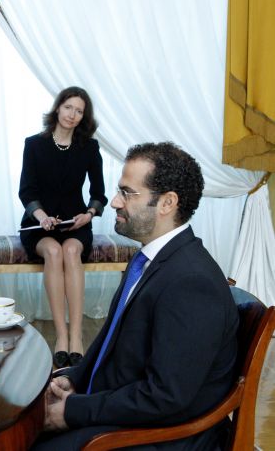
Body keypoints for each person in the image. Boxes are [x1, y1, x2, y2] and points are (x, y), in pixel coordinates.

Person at [36, 142, 239, 451]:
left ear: (167, 203)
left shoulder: (191, 282)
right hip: (126, 413)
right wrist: (75, 379)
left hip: (162, 439)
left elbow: (166, 396)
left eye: (127, 193)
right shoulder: (148, 259)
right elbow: (116, 348)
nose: (115, 202)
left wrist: (74, 411)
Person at [19, 86, 107, 368]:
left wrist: (89, 214)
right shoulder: (34, 144)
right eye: (68, 107)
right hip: (39, 225)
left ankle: (76, 336)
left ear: (84, 117)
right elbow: (26, 192)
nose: (72, 114)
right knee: (54, 252)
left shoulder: (89, 147)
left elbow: (99, 193)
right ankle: (61, 335)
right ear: (58, 108)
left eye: (79, 111)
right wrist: (42, 216)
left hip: (75, 224)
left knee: (70, 251)